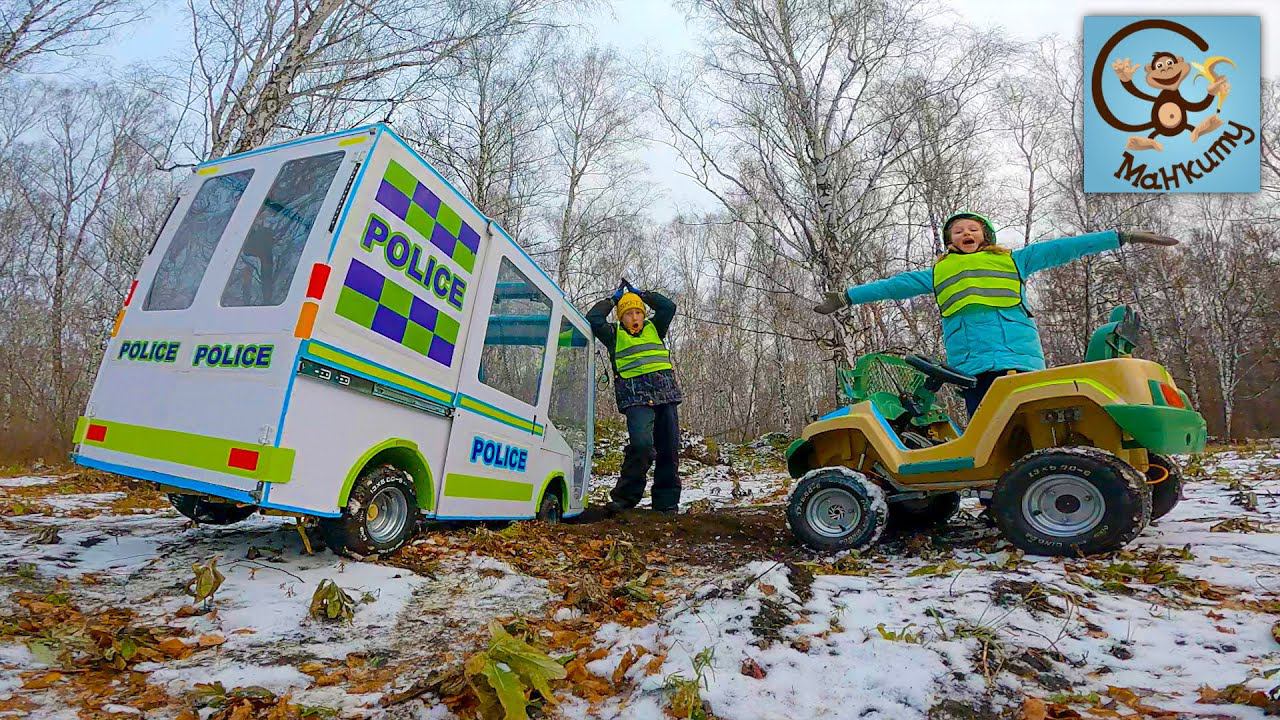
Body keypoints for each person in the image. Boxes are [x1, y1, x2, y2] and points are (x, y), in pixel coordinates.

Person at [815, 212, 1177, 417]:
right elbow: (894, 286)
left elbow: (1063, 248)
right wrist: (847, 296)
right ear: (951, 241)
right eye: (958, 231)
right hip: (970, 365)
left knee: (1028, 418)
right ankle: (992, 493)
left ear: (985, 236)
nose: (966, 233)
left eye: (973, 229)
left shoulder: (1014, 261)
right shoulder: (938, 273)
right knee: (985, 424)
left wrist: (1120, 236)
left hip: (1018, 357)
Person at [587, 281, 683, 514]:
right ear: (621, 318)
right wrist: (613, 300)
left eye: (638, 312)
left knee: (669, 449)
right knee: (641, 446)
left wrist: (642, 295)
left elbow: (668, 307)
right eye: (629, 313)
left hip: (665, 396)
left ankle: (666, 503)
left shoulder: (655, 328)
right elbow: (594, 318)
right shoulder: (613, 335)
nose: (635, 317)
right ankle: (624, 499)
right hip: (636, 399)